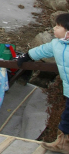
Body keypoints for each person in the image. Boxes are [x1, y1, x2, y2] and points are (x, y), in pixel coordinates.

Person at [16, 13, 69, 152]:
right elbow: (43, 50)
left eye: (58, 26)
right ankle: (63, 143)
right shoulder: (56, 44)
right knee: (66, 118)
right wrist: (27, 56)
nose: (54, 28)